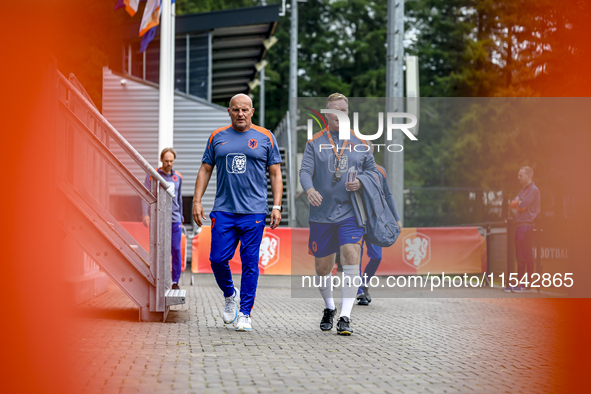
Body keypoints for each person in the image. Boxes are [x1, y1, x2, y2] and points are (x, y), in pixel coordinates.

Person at [192, 93, 283, 332]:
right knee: (217, 259)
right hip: (223, 210)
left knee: (250, 263)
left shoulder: (266, 137)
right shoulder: (217, 137)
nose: (240, 114)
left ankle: (245, 313)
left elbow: (275, 173)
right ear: (229, 112)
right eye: (235, 110)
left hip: (254, 211)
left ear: (252, 111)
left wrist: (276, 206)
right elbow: (205, 169)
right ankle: (230, 293)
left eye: (244, 110)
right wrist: (197, 201)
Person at [300, 93, 378, 335]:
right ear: (327, 114)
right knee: (323, 268)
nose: (340, 115)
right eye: (335, 111)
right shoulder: (314, 142)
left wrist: (362, 182)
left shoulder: (361, 143)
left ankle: (345, 316)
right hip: (321, 213)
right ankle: (329, 307)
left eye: (344, 110)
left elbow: (374, 174)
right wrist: (310, 189)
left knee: (351, 256)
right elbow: (304, 171)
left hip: (351, 212)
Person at [356, 141, 402, 305]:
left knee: (376, 256)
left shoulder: (380, 171)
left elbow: (388, 195)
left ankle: (364, 283)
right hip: (357, 219)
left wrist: (396, 218)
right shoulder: (353, 170)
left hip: (376, 221)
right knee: (357, 256)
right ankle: (359, 292)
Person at [142, 147, 184, 290]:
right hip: (158, 219)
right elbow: (144, 195)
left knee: (176, 249)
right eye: (166, 161)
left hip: (175, 220)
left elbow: (179, 198)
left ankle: (175, 281)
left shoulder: (178, 177)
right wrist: (145, 214)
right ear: (161, 160)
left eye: (171, 161)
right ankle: (157, 279)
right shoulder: (152, 175)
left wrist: (181, 217)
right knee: (158, 249)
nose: (168, 164)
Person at [504, 166, 540, 293]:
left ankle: (526, 285)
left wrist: (518, 204)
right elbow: (512, 203)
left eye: (521, 175)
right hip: (519, 225)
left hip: (527, 225)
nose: (518, 177)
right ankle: (519, 283)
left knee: (527, 254)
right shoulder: (523, 191)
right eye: (518, 175)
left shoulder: (533, 190)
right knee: (519, 255)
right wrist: (517, 203)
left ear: (529, 176)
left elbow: (522, 205)